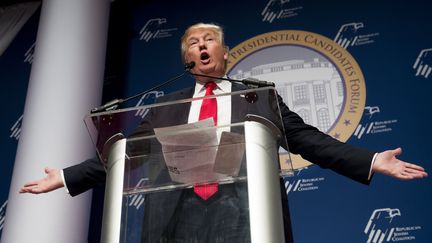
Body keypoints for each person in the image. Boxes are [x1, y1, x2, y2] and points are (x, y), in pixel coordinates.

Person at [20, 23, 428, 242]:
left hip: (244, 214)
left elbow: (308, 141)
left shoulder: (259, 97)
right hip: (177, 219)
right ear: (187, 58)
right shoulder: (166, 108)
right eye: (194, 42)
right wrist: (67, 176)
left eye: (209, 39)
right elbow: (131, 154)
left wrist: (372, 160)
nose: (202, 45)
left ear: (223, 52)